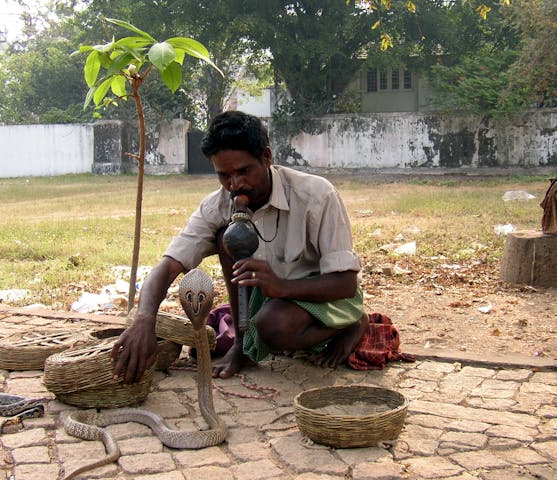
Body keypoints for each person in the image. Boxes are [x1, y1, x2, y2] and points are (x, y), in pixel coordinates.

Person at [112, 110, 368, 383]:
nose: (235, 184)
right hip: (273, 298)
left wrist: (282, 287)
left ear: (266, 157)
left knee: (272, 327)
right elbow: (168, 266)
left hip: (325, 294)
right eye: (224, 176)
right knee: (226, 236)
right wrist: (144, 320)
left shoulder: (317, 195)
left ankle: (352, 324)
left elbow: (345, 284)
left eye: (244, 171)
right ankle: (243, 344)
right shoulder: (218, 205)